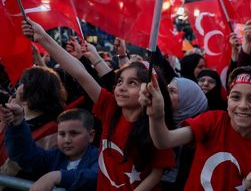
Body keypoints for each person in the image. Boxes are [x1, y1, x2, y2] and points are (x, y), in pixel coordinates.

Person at [22, 18, 175, 191]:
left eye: (132, 83)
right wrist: (44, 38)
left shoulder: (156, 127)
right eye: (120, 81)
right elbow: (80, 73)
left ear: (151, 89)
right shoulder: (110, 108)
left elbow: (156, 174)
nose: (122, 87)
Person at [140, 66, 251, 191]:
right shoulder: (214, 121)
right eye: (236, 97)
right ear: (227, 101)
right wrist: (156, 115)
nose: (243, 105)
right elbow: (164, 140)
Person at [2, 108, 98, 190]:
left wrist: (58, 176)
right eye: (62, 134)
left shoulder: (101, 158)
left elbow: (95, 177)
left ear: (91, 135)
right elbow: (26, 155)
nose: (67, 140)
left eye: (74, 133)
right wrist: (18, 124)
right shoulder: (54, 156)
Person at [0, 66, 65, 182]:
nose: (18, 87)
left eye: (21, 83)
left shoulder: (52, 129)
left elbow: (16, 165)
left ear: (29, 89)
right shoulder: (11, 116)